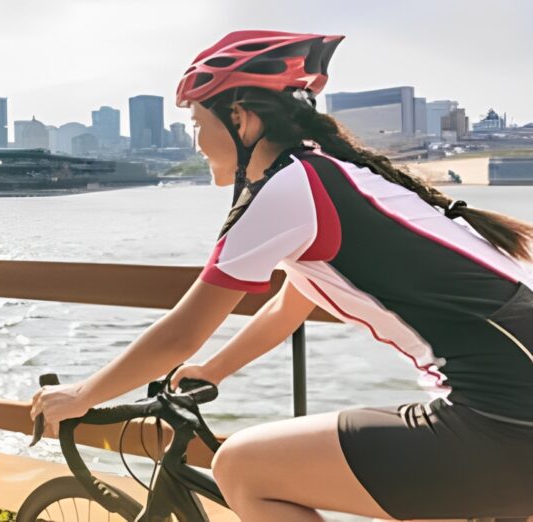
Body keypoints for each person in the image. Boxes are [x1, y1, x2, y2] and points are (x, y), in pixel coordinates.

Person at [30, 30, 533, 521]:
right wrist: (216, 369)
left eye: (197, 123)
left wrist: (80, 396)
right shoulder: (327, 176)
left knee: (243, 467)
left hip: (502, 424)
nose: (198, 143)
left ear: (241, 119)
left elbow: (181, 333)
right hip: (510, 416)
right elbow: (292, 302)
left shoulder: (289, 190)